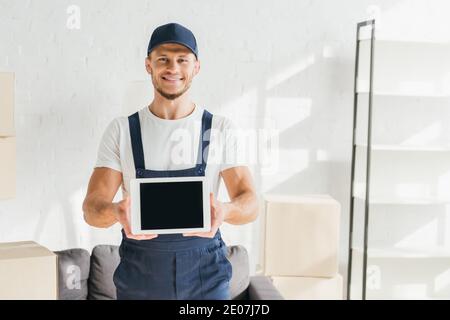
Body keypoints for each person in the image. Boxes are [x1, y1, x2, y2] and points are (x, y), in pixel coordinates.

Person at [82, 22, 259, 300]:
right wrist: (117, 211)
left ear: (196, 67)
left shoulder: (220, 129)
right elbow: (91, 209)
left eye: (182, 60)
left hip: (206, 276)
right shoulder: (122, 131)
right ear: (148, 65)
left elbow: (251, 203)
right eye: (162, 59)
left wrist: (224, 210)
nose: (172, 68)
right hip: (140, 276)